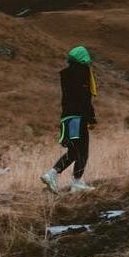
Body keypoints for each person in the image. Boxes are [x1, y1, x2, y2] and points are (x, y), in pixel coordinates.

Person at [40, 45, 97, 194]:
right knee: (82, 150)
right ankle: (76, 182)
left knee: (74, 150)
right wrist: (91, 118)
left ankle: (52, 174)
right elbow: (85, 98)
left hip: (67, 117)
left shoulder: (66, 75)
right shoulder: (82, 73)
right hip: (78, 117)